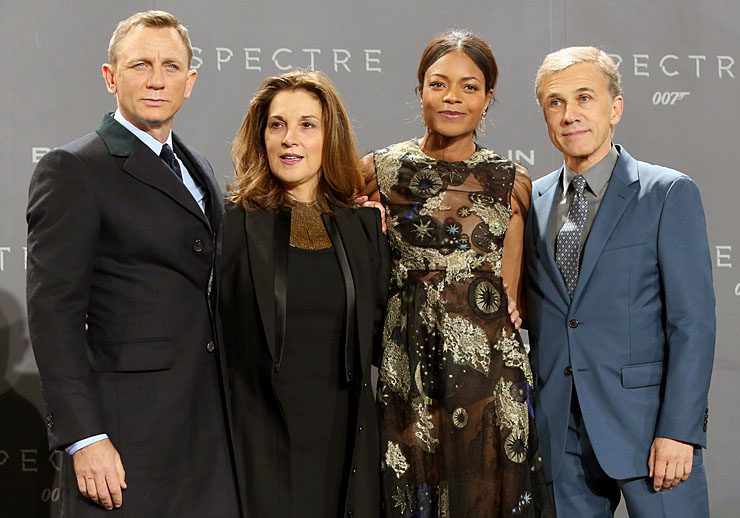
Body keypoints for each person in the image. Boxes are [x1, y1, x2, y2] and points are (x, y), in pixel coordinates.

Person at [26, 11, 240, 517]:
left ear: (190, 83)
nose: (156, 79)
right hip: (126, 435)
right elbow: (53, 315)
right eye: (141, 64)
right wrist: (85, 438)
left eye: (171, 66)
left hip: (205, 427)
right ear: (110, 77)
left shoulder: (198, 165)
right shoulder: (75, 168)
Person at [362, 30, 554, 517]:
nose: (452, 97)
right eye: (438, 83)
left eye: (470, 87)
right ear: (419, 90)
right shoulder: (376, 172)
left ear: (488, 98)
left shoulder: (511, 183)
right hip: (408, 365)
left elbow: (512, 291)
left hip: (491, 374)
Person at [524, 46, 715, 517]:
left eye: (584, 97)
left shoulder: (668, 193)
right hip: (559, 437)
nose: (571, 115)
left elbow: (692, 325)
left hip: (650, 434)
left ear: (615, 108)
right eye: (556, 102)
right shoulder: (531, 201)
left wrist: (680, 430)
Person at [219, 70, 390, 518]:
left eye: (306, 125)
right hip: (258, 442)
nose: (289, 138)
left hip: (346, 442)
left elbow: (382, 333)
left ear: (329, 135)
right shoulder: (232, 225)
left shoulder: (364, 226)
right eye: (277, 125)